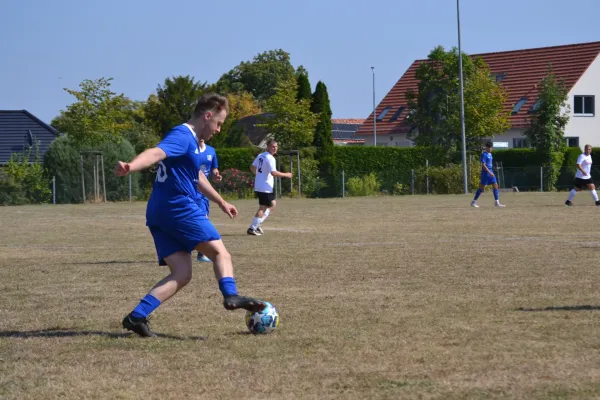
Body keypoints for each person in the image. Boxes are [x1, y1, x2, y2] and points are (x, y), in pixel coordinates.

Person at [115, 94, 265, 337]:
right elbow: (156, 152)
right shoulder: (183, 136)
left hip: (158, 211)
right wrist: (132, 166)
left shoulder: (193, 142)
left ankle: (137, 317)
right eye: (218, 123)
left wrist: (220, 201)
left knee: (182, 273)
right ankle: (231, 294)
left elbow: (196, 176)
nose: (218, 130)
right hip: (177, 207)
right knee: (220, 253)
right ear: (208, 115)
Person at [247, 139, 292, 236]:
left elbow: (252, 167)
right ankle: (252, 228)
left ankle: (257, 224)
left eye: (276, 146)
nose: (275, 148)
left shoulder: (260, 156)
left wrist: (258, 175)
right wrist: (287, 175)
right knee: (263, 207)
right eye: (273, 146)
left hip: (260, 185)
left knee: (272, 204)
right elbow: (274, 173)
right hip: (265, 186)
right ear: (267, 147)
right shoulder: (270, 158)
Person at [195, 138, 221, 262]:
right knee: (200, 220)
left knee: (204, 219)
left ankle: (201, 253)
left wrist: (216, 176)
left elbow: (214, 170)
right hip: (189, 191)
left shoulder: (211, 150)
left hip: (203, 193)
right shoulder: (190, 149)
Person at [471, 142, 505, 208]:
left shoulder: (490, 154)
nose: (490, 148)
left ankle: (497, 202)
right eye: (488, 147)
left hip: (491, 172)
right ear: (486, 147)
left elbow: (490, 164)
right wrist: (489, 172)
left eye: (490, 147)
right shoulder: (484, 154)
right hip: (486, 174)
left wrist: (493, 170)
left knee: (495, 185)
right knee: (481, 188)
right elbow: (483, 165)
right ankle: (473, 202)